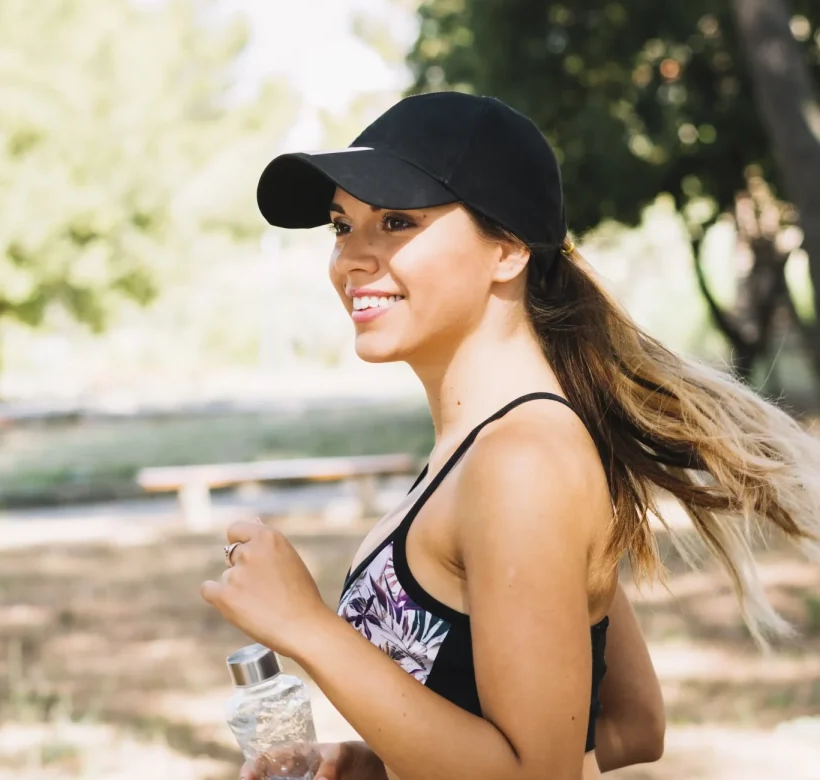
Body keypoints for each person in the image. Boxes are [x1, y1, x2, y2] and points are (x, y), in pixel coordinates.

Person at [200, 92, 820, 780]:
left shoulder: (522, 461)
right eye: (342, 226)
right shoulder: (484, 451)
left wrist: (307, 628)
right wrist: (376, 766)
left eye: (397, 221)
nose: (352, 258)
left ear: (508, 250)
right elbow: (630, 725)